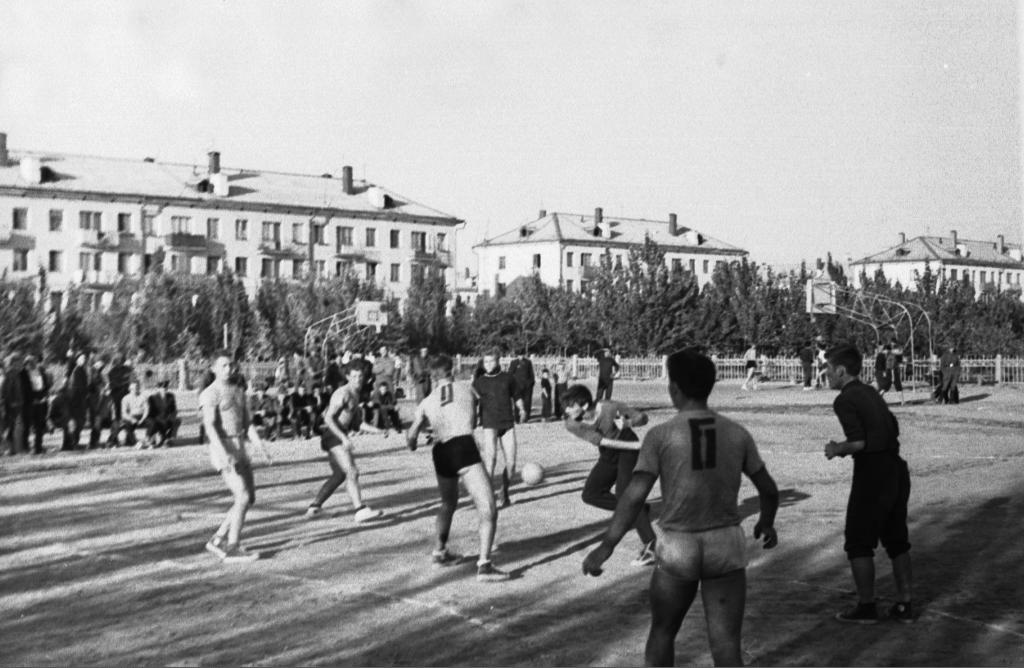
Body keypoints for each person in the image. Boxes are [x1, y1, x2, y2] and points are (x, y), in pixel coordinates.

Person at [582, 350, 779, 666]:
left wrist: (606, 546)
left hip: (679, 544)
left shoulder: (661, 435)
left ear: (674, 388)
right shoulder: (736, 432)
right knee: (726, 645)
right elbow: (768, 489)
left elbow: (633, 496)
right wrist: (766, 521)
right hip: (725, 542)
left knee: (663, 632)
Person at [823, 343, 914, 624]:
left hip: (873, 473)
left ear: (841, 370)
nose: (826, 374)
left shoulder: (844, 400)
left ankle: (866, 606)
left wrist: (837, 449)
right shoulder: (871, 392)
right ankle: (905, 604)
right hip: (896, 468)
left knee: (858, 541)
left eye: (828, 369)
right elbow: (893, 427)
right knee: (897, 540)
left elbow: (859, 442)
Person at [405, 354, 510, 582]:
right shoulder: (467, 388)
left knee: (448, 503)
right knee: (488, 507)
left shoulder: (426, 402)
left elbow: (411, 437)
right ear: (452, 371)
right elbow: (477, 415)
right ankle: (484, 565)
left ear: (432, 376)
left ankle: (439, 552)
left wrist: (413, 443)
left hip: (440, 451)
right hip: (462, 446)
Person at [563, 384, 657, 567]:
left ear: (584, 405)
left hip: (628, 449)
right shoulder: (571, 423)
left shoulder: (610, 408)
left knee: (624, 494)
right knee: (591, 494)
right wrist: (636, 446)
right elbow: (602, 441)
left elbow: (642, 417)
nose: (566, 410)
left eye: (570, 406)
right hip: (613, 450)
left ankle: (651, 546)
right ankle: (636, 509)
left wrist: (629, 423)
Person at [199, 350, 265, 563]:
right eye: (224, 366)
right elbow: (210, 427)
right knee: (242, 496)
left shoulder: (238, 390)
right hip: (223, 447)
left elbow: (247, 423)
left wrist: (260, 446)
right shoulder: (210, 393)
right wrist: (224, 454)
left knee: (248, 498)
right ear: (214, 368)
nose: (229, 369)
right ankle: (232, 547)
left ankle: (218, 539)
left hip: (240, 445)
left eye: (231, 365)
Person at [305, 364, 385, 522]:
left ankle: (314, 508)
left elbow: (356, 423)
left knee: (339, 475)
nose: (358, 379)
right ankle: (360, 510)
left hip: (337, 436)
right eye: (354, 376)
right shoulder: (342, 393)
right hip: (333, 436)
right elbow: (328, 418)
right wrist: (343, 438)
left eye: (360, 376)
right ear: (347, 377)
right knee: (352, 472)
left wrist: (377, 430)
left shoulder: (356, 394)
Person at [471, 352, 520, 508]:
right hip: (489, 423)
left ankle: (504, 491)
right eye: (485, 362)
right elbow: (473, 401)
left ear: (498, 361)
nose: (488, 364)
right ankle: (487, 498)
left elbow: (517, 396)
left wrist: (522, 408)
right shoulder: (479, 382)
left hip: (507, 423)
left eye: (491, 361)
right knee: (490, 461)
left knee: (511, 463)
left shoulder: (508, 378)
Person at [22, 355, 51, 455]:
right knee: (28, 426)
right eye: (30, 363)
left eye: (33, 362)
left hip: (41, 401)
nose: (33, 364)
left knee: (39, 425)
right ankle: (26, 447)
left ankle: (38, 447)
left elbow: (45, 386)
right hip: (30, 403)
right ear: (26, 364)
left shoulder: (40, 372)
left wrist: (45, 395)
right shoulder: (23, 374)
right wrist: (32, 399)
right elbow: (25, 390)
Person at [1, 353, 28, 454]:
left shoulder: (16, 374)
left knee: (14, 427)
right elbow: (6, 390)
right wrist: (11, 402)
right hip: (12, 405)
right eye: (18, 361)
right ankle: (9, 449)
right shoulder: (9, 374)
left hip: (18, 404)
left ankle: (13, 449)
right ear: (13, 363)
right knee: (10, 426)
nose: (20, 363)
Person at [146, 379, 180, 446]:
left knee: (177, 421)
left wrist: (172, 416)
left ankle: (169, 438)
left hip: (168, 418)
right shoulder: (152, 398)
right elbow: (151, 412)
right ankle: (160, 439)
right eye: (161, 388)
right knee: (156, 423)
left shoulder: (171, 396)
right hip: (156, 419)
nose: (164, 389)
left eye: (165, 387)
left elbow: (173, 409)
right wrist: (160, 419)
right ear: (158, 389)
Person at [118, 380, 150, 448]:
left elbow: (146, 410)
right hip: (130, 417)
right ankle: (135, 443)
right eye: (133, 388)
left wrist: (142, 419)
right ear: (129, 389)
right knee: (127, 424)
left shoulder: (143, 397)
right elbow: (124, 413)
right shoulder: (125, 398)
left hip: (142, 417)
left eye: (136, 388)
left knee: (152, 423)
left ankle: (148, 440)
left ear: (138, 388)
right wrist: (132, 419)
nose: (135, 390)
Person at [509, 352, 536, 423]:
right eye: (519, 355)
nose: (521, 357)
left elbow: (531, 373)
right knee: (518, 401)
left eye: (522, 355)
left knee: (527, 402)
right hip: (517, 386)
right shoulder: (514, 362)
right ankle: (517, 418)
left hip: (527, 386)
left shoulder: (528, 362)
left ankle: (526, 417)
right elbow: (510, 374)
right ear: (517, 356)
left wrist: (531, 383)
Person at [886, 340, 906, 406]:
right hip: (892, 371)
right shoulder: (890, 354)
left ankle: (902, 401)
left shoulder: (892, 354)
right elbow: (899, 352)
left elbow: (900, 353)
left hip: (894, 371)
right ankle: (877, 400)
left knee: (898, 387)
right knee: (885, 387)